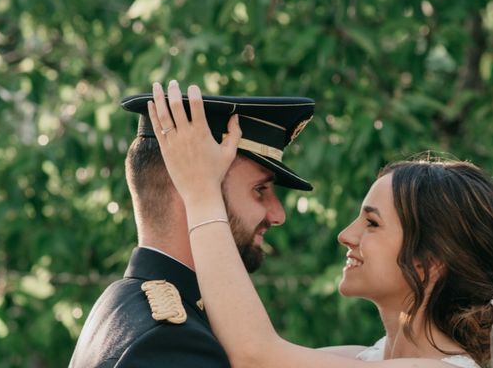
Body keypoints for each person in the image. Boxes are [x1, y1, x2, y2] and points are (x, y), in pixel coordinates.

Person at [147, 80, 493, 368]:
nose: (346, 235)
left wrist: (200, 192)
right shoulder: (364, 357)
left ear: (430, 262)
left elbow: (255, 356)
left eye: (372, 224)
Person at [68, 88, 315, 367]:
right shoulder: (169, 342)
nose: (278, 214)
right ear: (191, 186)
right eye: (260, 189)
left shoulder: (121, 308)